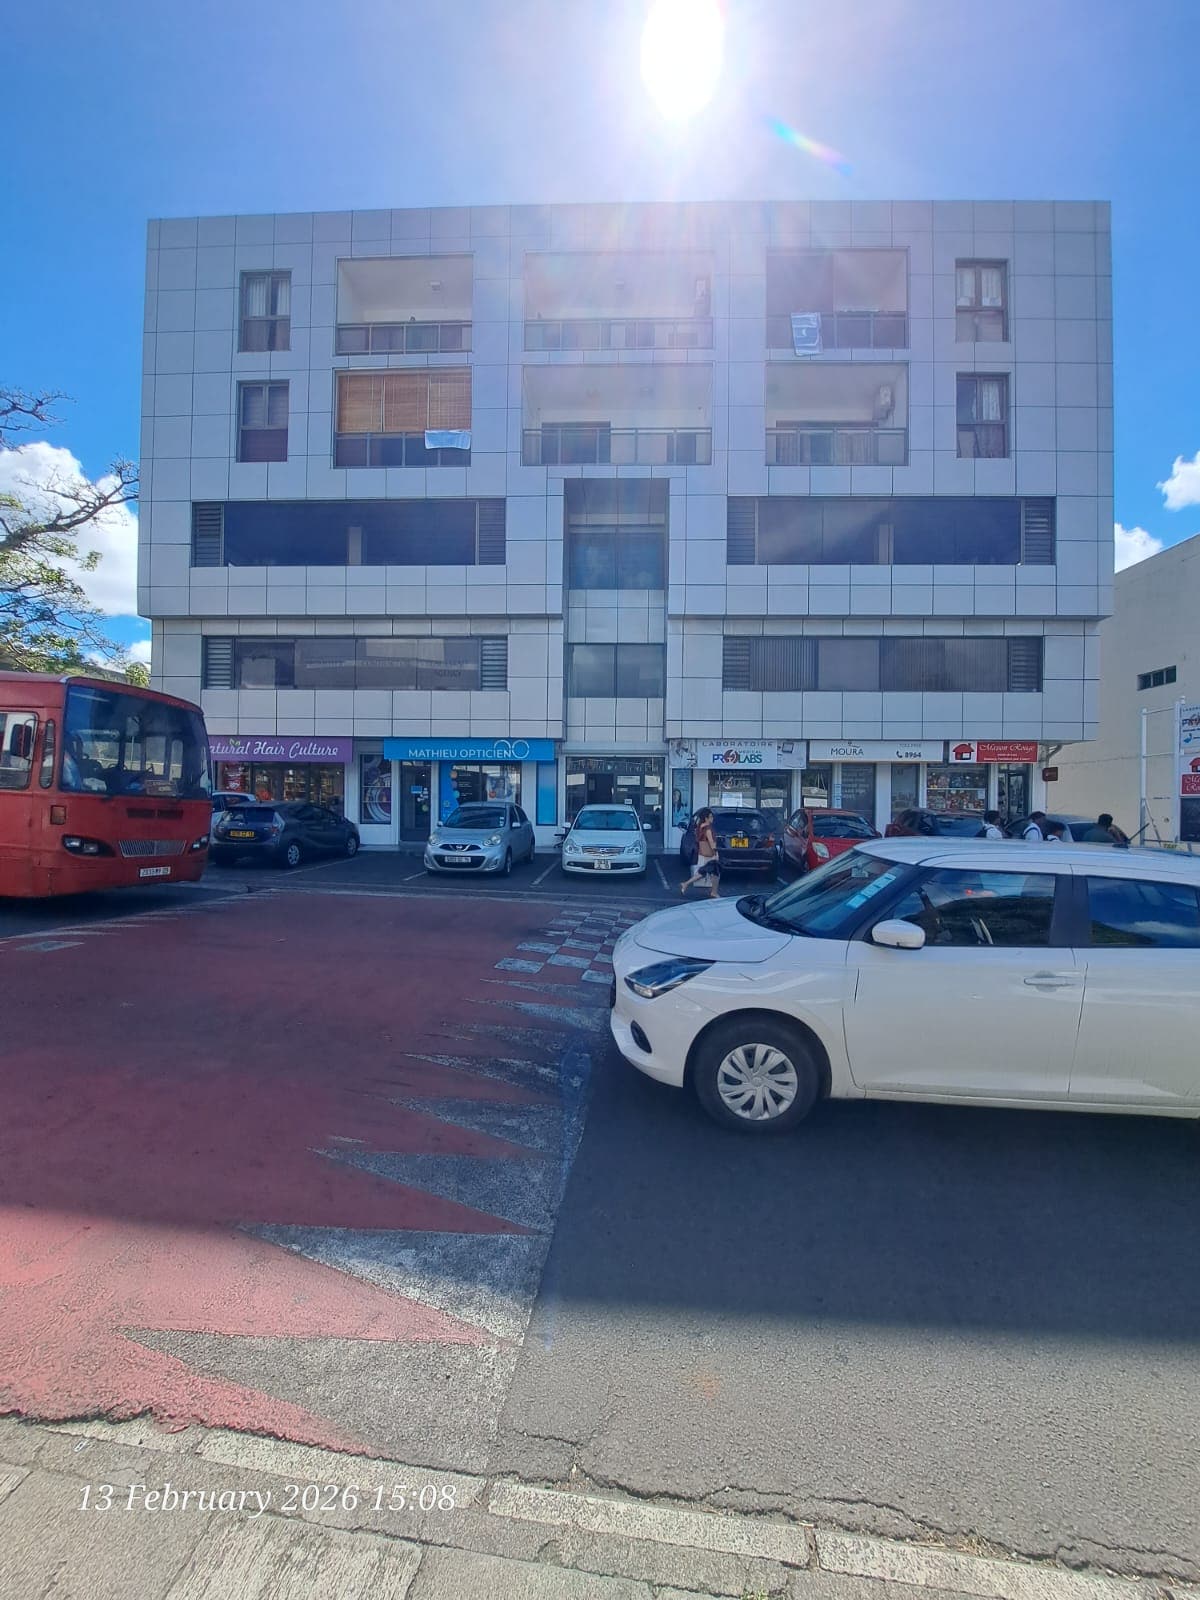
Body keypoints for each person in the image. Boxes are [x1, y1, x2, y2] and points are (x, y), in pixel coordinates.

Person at [680, 808, 721, 899]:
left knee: (705, 873)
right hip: (709, 854)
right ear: (706, 818)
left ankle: (686, 884)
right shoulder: (708, 829)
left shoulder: (699, 827)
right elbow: (711, 842)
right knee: (714, 873)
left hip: (701, 853)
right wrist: (716, 853)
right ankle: (713, 892)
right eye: (710, 817)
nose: (712, 818)